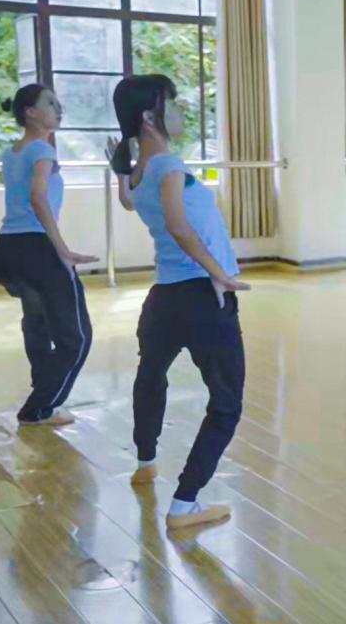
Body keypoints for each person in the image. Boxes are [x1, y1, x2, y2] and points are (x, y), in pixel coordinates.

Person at [109, 74, 249, 531]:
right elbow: (177, 225)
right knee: (226, 403)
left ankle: (145, 461)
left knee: (151, 376)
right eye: (172, 103)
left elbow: (130, 201)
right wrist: (218, 273)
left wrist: (119, 172)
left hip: (164, 300)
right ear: (149, 116)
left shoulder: (140, 171)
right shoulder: (168, 165)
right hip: (203, 296)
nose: (181, 111)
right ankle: (185, 504)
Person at [0, 85, 96, 427]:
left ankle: (42, 388)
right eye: (49, 103)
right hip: (36, 249)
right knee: (76, 338)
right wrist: (62, 249)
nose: (58, 108)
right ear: (30, 112)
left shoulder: (12, 152)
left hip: (5, 250)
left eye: (58, 102)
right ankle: (40, 407)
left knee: (36, 321)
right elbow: (38, 197)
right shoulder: (42, 150)